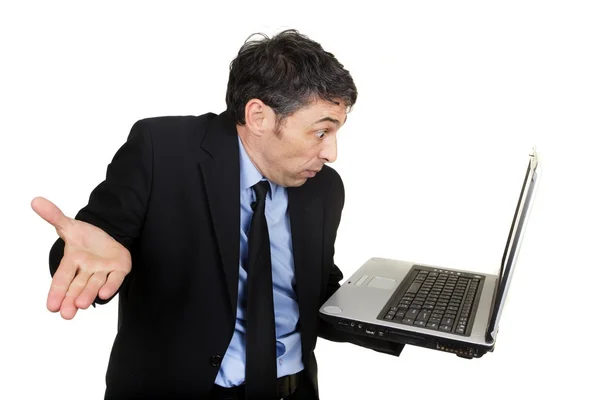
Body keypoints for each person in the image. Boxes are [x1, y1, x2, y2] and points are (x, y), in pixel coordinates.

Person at [31, 29, 403, 400]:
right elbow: (90, 249)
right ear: (259, 116)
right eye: (321, 132)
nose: (331, 153)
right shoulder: (161, 152)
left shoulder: (323, 188)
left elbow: (315, 293)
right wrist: (83, 263)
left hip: (292, 390)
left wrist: (403, 320)